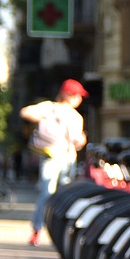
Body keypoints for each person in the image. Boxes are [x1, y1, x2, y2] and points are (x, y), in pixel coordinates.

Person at [21, 79, 87, 245]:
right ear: (68, 95)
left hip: (52, 155)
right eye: (77, 95)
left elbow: (26, 112)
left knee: (46, 194)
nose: (80, 99)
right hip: (65, 157)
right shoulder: (74, 116)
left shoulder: (50, 108)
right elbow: (77, 141)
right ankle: (62, 232)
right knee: (63, 194)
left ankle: (37, 230)